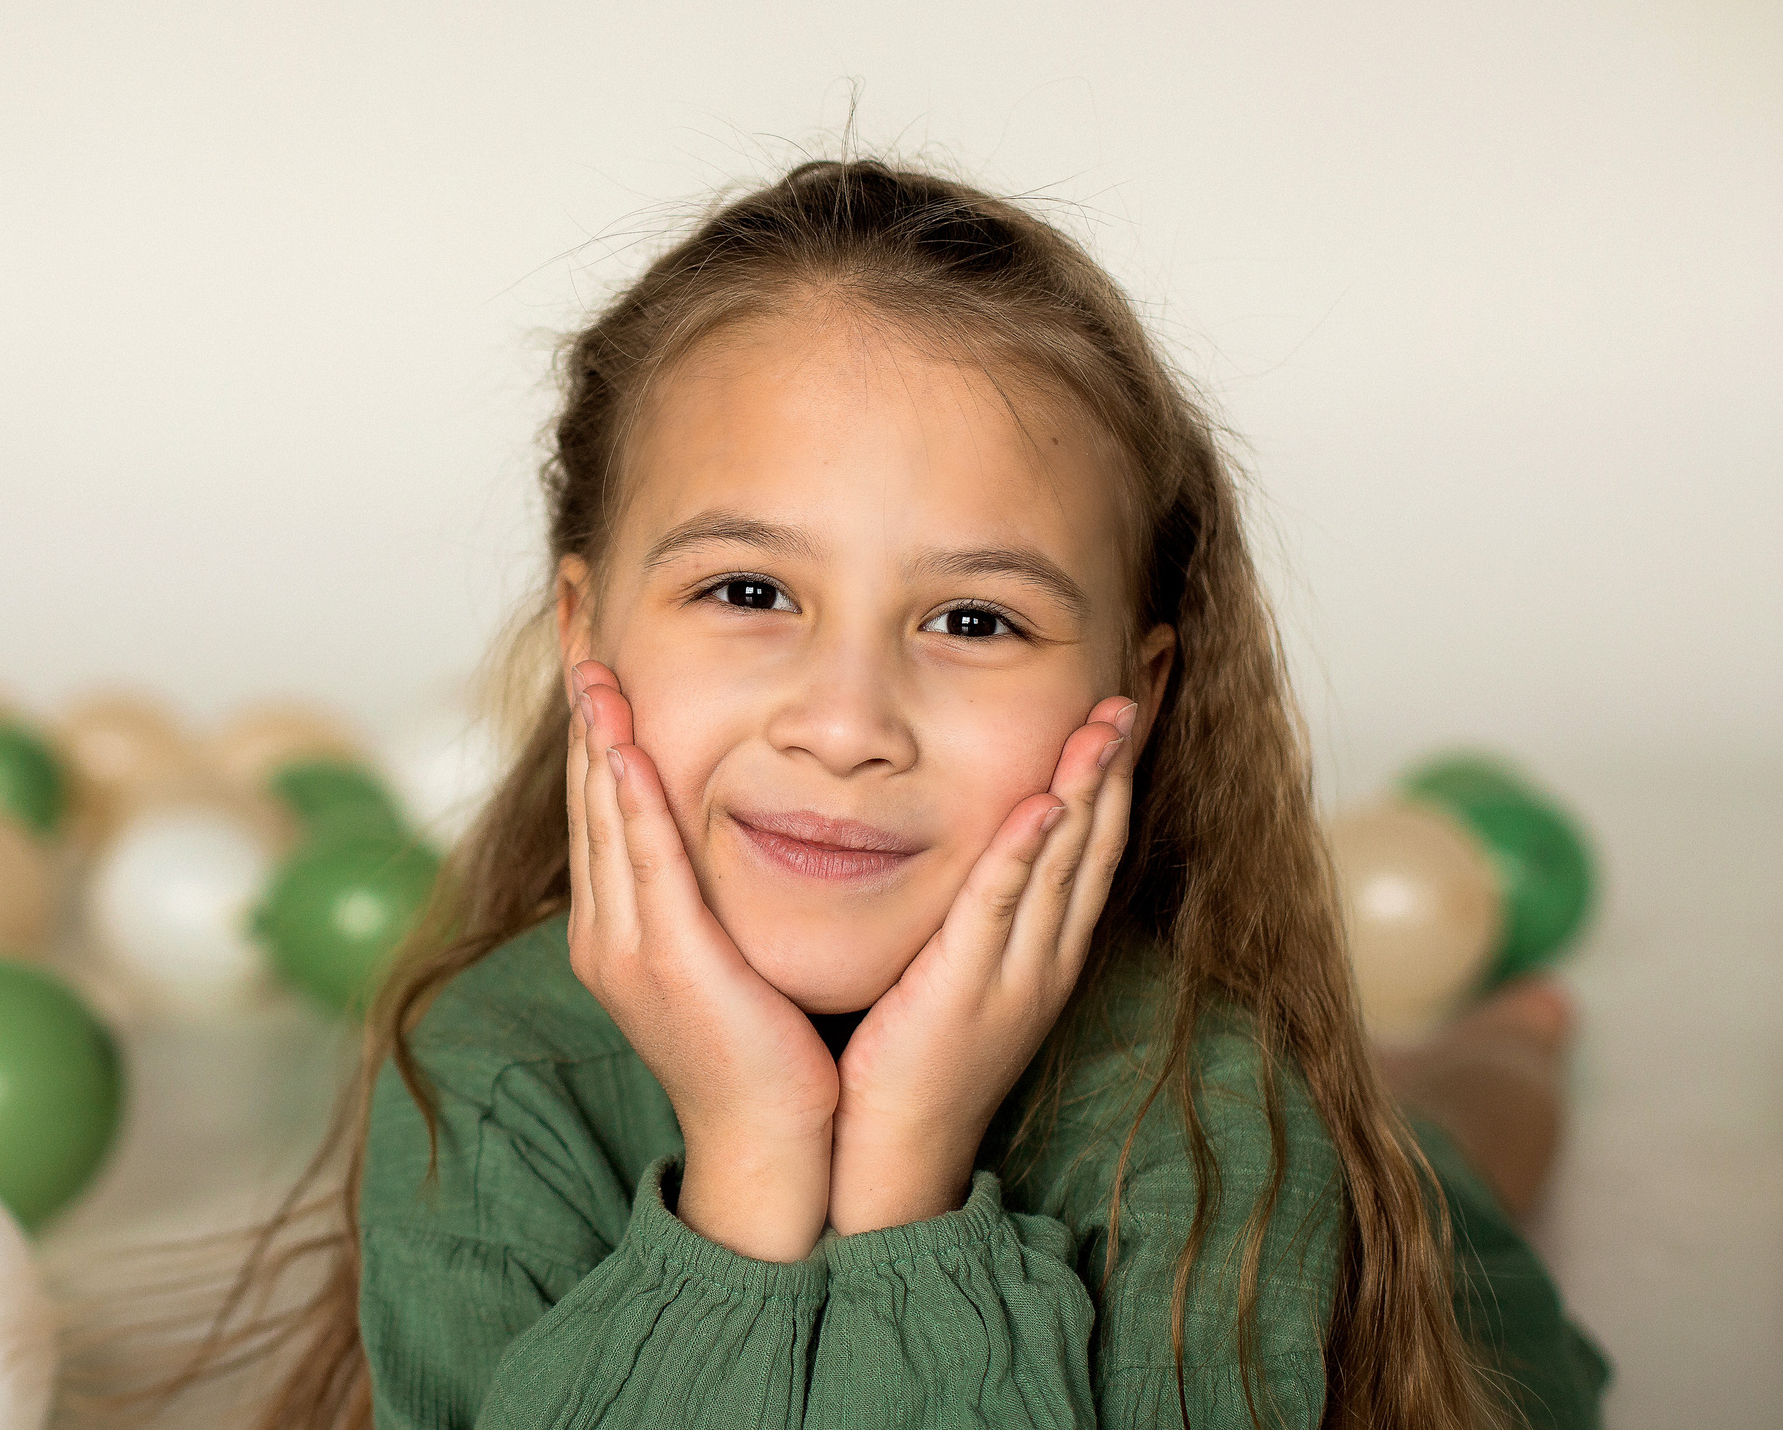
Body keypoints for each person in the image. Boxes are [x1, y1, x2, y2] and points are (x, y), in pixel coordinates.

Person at [199, 159, 1607, 1429]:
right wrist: (755, 1160)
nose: (846, 723)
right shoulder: (494, 1071)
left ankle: (1490, 1054)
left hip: (1424, 1265)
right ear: (586, 633)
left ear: (1142, 692)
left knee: (1451, 1145)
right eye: (748, 591)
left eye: (976, 620)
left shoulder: (1212, 1107)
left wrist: (906, 1183)